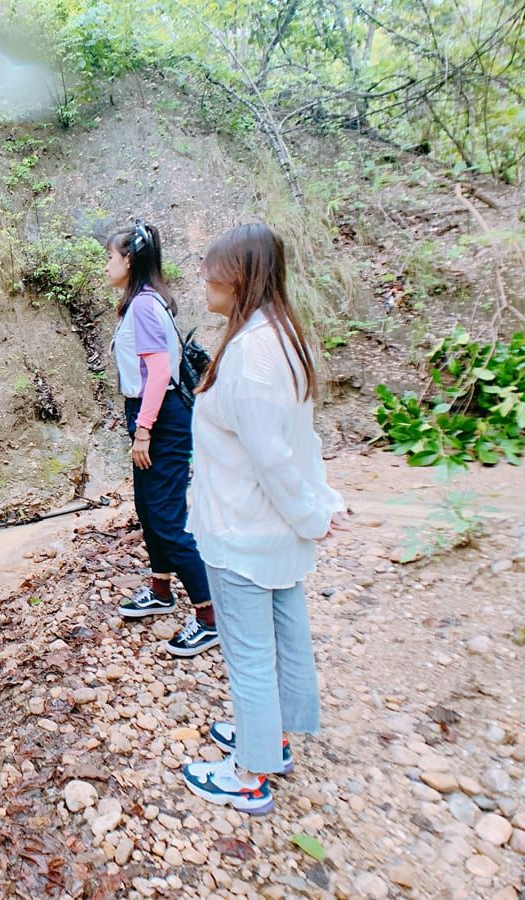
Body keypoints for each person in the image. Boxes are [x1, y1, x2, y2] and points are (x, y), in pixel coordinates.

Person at [181, 222, 348, 814]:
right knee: (281, 637)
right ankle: (269, 740)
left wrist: (314, 515)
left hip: (244, 529)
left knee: (249, 652)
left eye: (211, 270)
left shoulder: (252, 354)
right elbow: (302, 442)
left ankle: (249, 777)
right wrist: (319, 506)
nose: (202, 279)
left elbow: (276, 458)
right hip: (269, 530)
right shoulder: (279, 336)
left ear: (240, 277)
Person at [106, 221, 218, 657]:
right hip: (153, 412)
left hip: (162, 416)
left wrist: (144, 429)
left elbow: (157, 375)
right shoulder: (143, 303)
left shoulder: (144, 307)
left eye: (110, 257)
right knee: (148, 509)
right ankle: (160, 589)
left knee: (168, 519)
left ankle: (209, 617)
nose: (107, 265)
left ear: (129, 260)